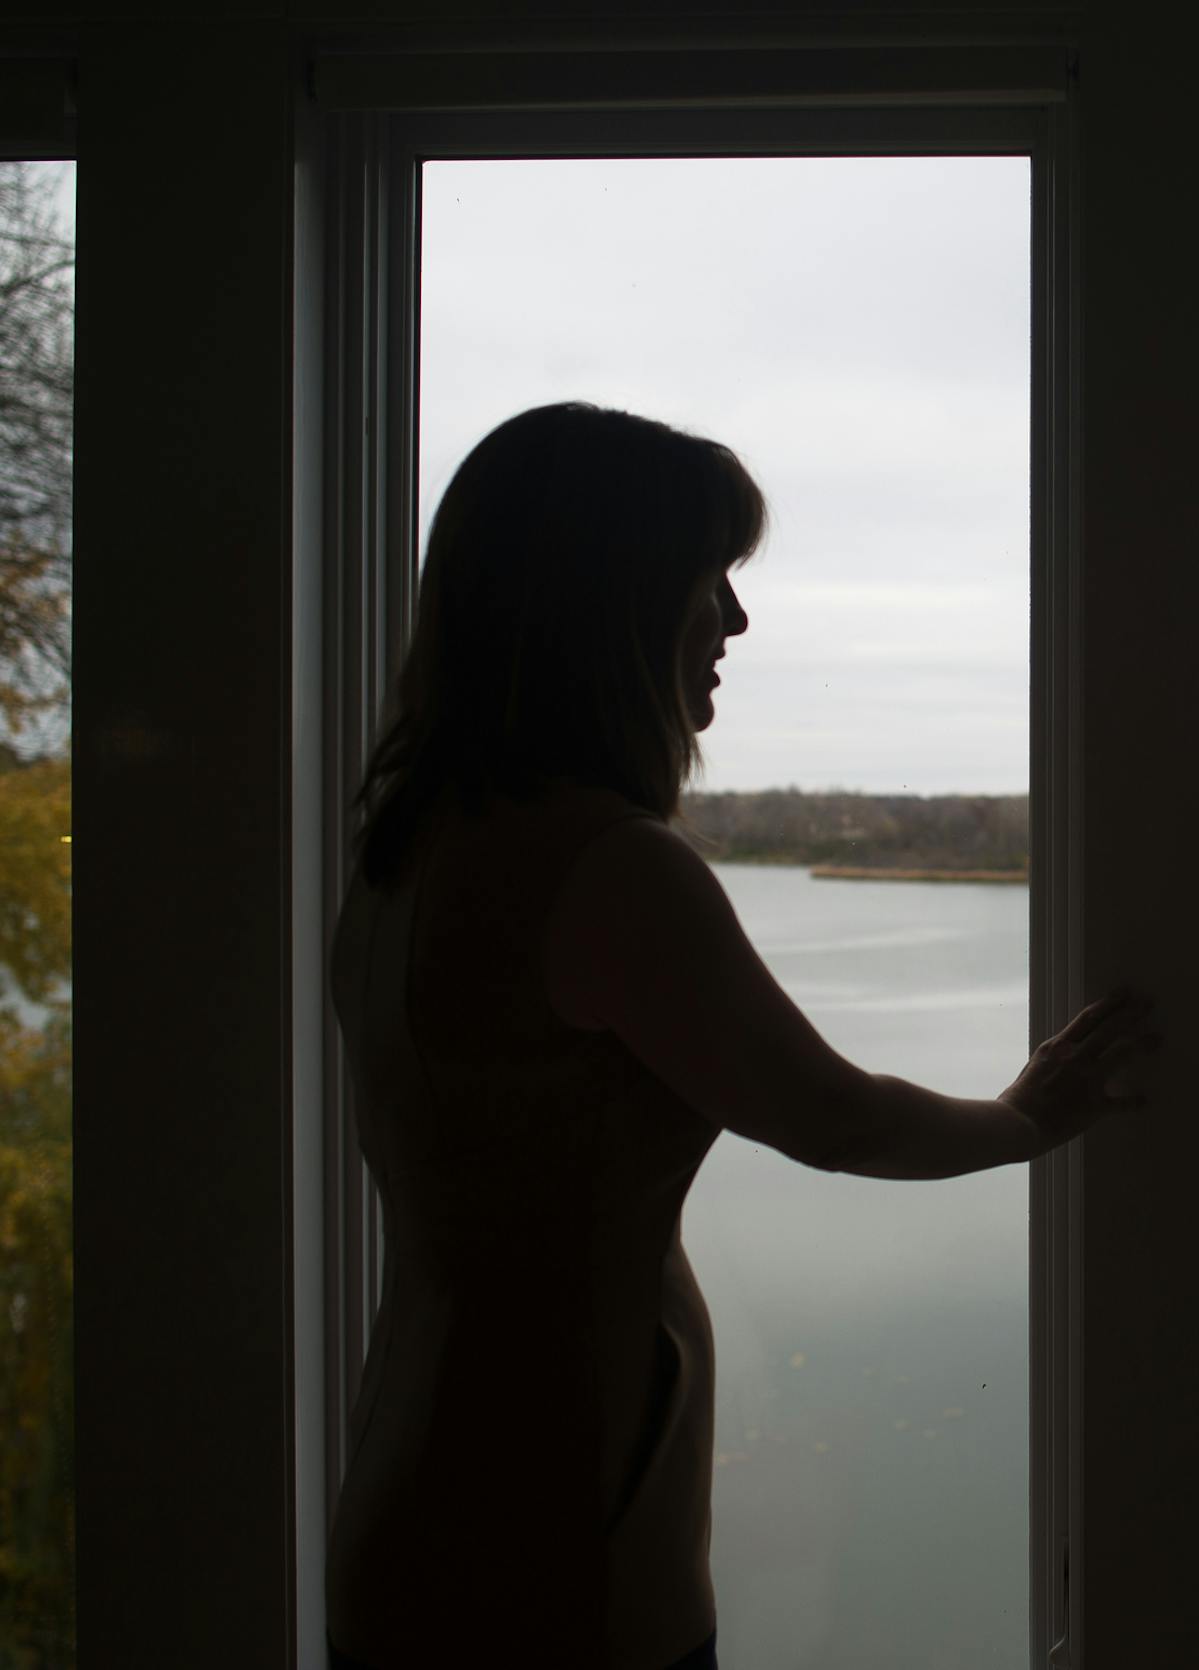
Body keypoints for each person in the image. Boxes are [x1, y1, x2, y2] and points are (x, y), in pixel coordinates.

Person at [324, 402, 1155, 1669]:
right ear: (614, 600)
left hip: (412, 1489)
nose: (735, 619)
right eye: (707, 577)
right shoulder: (610, 870)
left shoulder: (405, 849)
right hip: (555, 1533)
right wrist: (1031, 1118)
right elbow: (838, 1116)